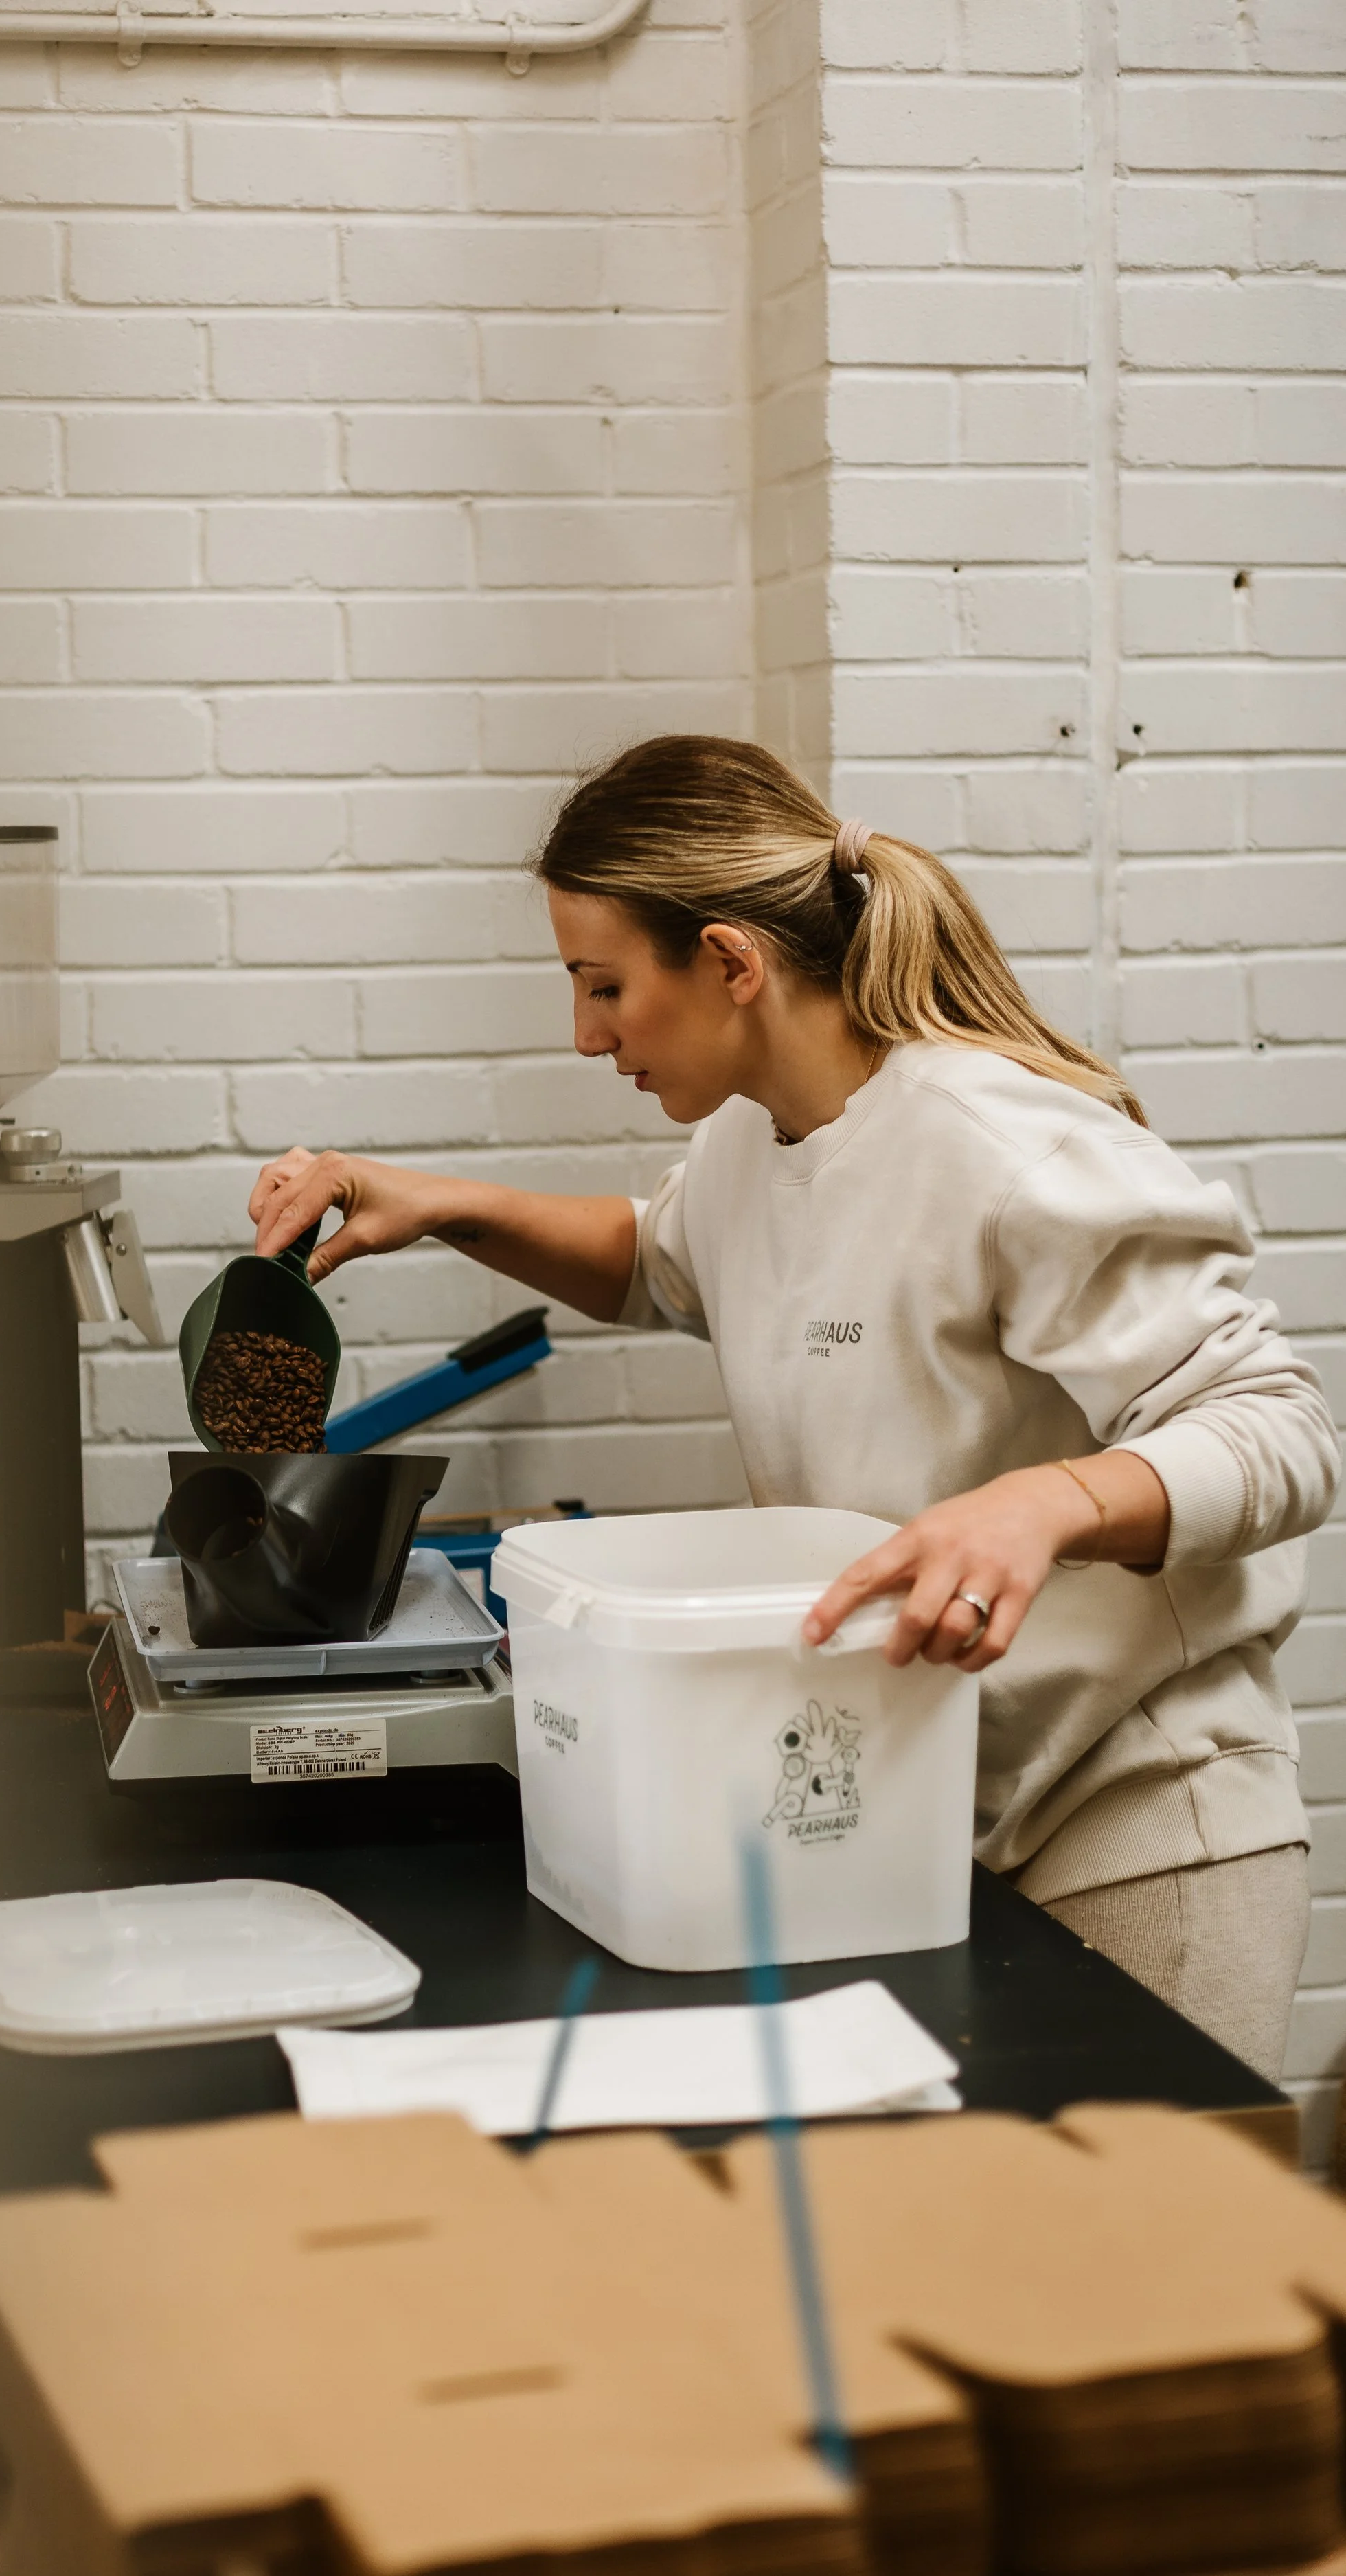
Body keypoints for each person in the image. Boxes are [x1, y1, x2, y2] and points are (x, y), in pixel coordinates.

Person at [248, 736, 1338, 2082]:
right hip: (931, 1819)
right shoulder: (746, 1142)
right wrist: (439, 1203)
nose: (585, 1033)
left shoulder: (1006, 1154)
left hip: (1131, 1831)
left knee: (1141, 2283)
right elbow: (657, 1259)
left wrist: (1040, 1504)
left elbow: (1281, 1428)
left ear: (728, 962)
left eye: (604, 986)